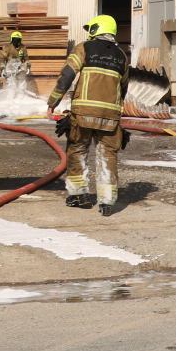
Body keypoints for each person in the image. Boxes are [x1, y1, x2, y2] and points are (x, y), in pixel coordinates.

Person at [48, 14, 129, 214]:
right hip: (110, 118)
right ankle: (108, 202)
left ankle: (78, 196)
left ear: (95, 30)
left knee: (77, 150)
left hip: (82, 113)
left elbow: (67, 75)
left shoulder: (84, 48)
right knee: (107, 156)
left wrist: (53, 102)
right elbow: (123, 88)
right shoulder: (122, 56)